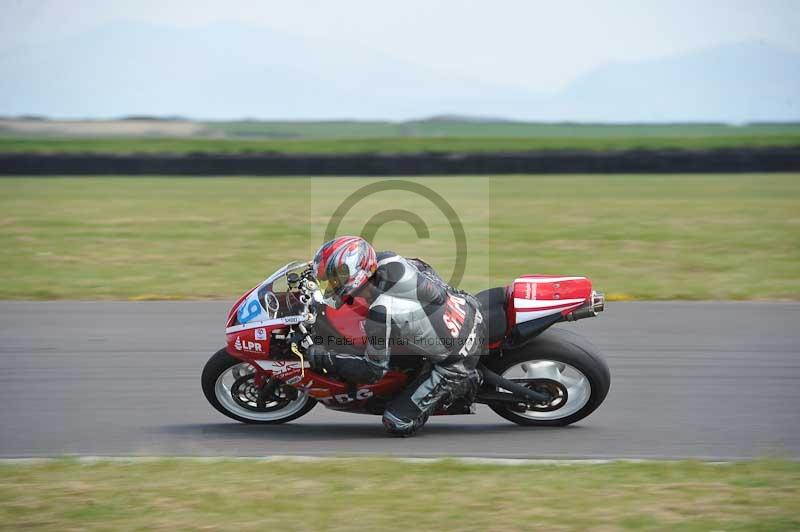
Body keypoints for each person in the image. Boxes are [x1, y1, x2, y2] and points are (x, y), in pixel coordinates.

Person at [306, 235, 485, 436]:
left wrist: (323, 357)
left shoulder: (381, 312)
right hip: (463, 304)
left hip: (458, 357)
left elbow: (373, 371)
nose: (331, 284)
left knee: (397, 422)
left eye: (335, 278)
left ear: (355, 274)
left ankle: (464, 383)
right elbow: (425, 269)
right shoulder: (387, 260)